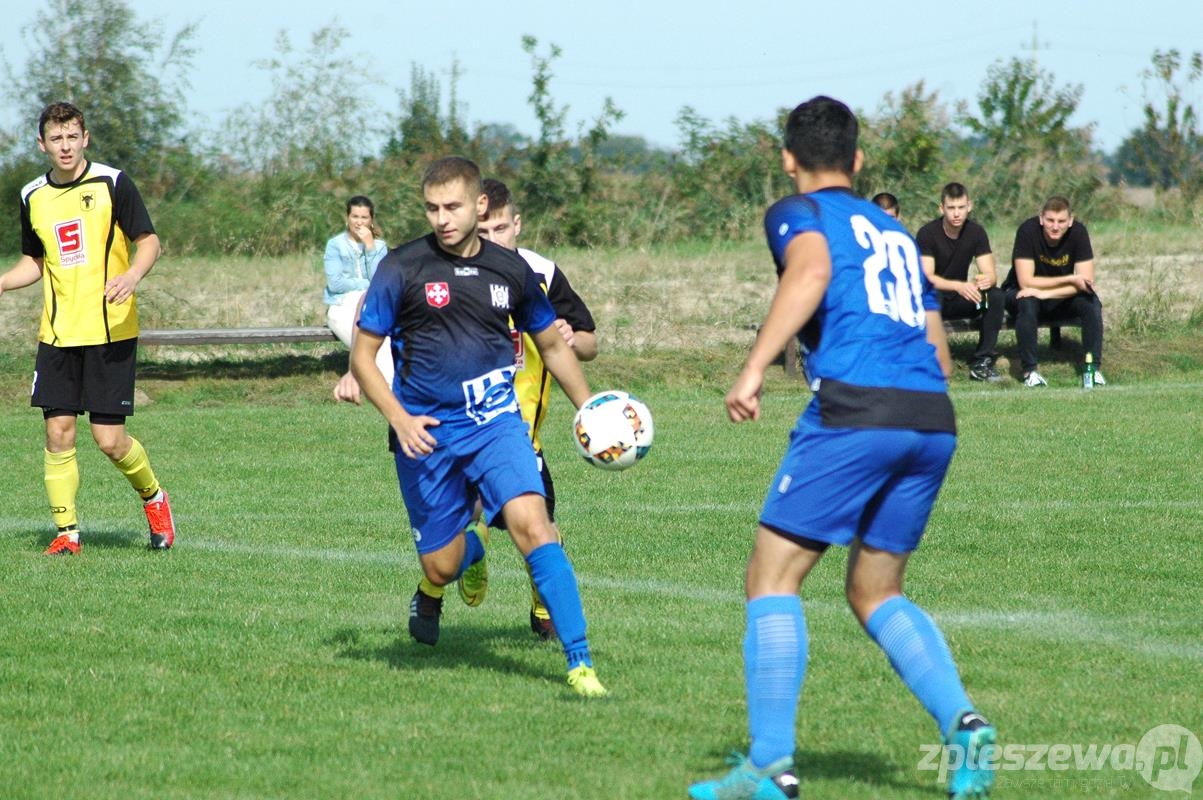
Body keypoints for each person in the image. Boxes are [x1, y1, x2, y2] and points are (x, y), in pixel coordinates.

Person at [689, 96, 994, 800]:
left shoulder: (797, 212)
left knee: (771, 579)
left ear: (787, 158)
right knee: (874, 590)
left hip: (856, 410)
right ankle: (964, 724)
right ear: (856, 160)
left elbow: (810, 273)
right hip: (930, 416)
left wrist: (753, 367)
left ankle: (769, 767)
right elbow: (938, 354)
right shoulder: (895, 231)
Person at [350, 156, 606, 697]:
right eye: (432, 208)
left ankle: (580, 663)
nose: (442, 219)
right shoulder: (402, 267)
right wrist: (398, 418)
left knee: (535, 526)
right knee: (440, 568)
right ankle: (471, 548)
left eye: (453, 207)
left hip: (496, 424)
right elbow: (362, 357)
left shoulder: (510, 270)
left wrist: (589, 408)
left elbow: (553, 345)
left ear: (479, 204)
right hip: (426, 434)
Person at [0, 101, 176, 555]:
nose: (65, 146)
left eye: (72, 136)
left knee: (110, 441)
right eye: (56, 138)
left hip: (110, 330)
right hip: (58, 334)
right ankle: (67, 534)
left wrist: (132, 276)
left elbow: (149, 242)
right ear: (42, 144)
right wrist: (2, 282)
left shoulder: (113, 183)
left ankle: (155, 499)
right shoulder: (32, 196)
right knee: (57, 432)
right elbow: (34, 262)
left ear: (85, 139)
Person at [476, 178, 598, 640]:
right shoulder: (456, 275)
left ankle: (543, 606)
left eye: (501, 229)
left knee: (540, 529)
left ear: (517, 225)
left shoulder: (542, 274)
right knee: (467, 518)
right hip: (470, 424)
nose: (493, 240)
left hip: (525, 433)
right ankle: (469, 557)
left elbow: (589, 343)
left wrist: (571, 337)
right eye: (483, 231)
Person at [1003, 196, 1104, 388]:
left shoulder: (1079, 233)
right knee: (1027, 301)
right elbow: (1026, 282)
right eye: (1050, 220)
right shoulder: (1027, 231)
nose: (1055, 226)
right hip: (1019, 291)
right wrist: (1070, 279)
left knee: (1091, 302)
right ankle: (1030, 372)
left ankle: (1093, 369)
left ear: (1070, 220)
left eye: (1061, 221)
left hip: (1053, 295)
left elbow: (1086, 284)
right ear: (1041, 218)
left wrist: (1046, 294)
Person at [915, 182, 1004, 382]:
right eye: (951, 208)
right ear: (942, 208)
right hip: (937, 300)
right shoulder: (927, 233)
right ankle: (932, 363)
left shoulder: (976, 232)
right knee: (932, 297)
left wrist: (985, 281)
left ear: (969, 206)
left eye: (961, 207)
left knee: (995, 296)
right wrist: (958, 285)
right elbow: (927, 278)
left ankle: (982, 362)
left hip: (963, 300)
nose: (956, 213)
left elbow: (991, 274)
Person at [323, 196, 392, 397]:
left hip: (371, 307)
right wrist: (366, 285)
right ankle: (388, 389)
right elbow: (335, 284)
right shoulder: (335, 245)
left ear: (371, 220)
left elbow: (381, 280)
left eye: (364, 217)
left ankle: (389, 389)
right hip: (342, 306)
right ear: (347, 218)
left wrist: (370, 247)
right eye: (355, 216)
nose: (359, 222)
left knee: (385, 342)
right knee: (368, 348)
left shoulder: (379, 247)